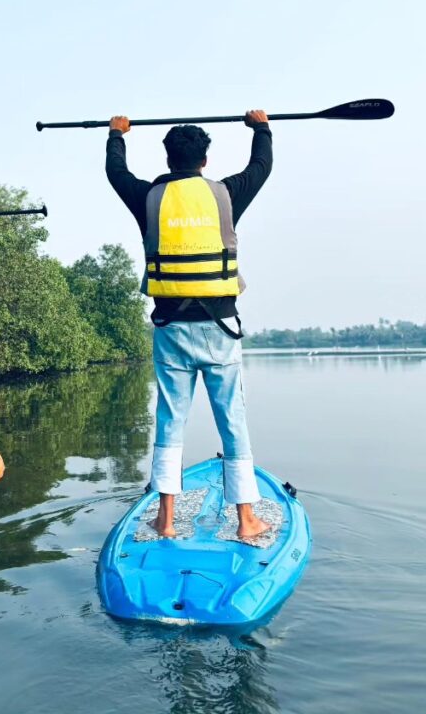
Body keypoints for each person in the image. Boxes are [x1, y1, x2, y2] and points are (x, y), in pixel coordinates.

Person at [106, 110, 272, 539]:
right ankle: (246, 521)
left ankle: (164, 519)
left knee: (168, 421)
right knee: (232, 422)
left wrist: (116, 135)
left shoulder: (149, 199)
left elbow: (115, 172)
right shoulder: (226, 195)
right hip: (220, 330)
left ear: (167, 158)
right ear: (205, 159)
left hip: (171, 330)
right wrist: (261, 128)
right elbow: (262, 166)